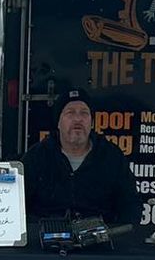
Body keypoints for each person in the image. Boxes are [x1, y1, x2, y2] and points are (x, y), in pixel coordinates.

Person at [23, 89, 141, 226]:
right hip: (47, 239)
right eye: (70, 113)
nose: (78, 119)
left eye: (84, 113)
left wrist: (119, 236)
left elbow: (130, 204)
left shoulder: (111, 156)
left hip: (99, 241)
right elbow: (18, 203)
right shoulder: (37, 156)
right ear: (58, 123)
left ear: (91, 123)